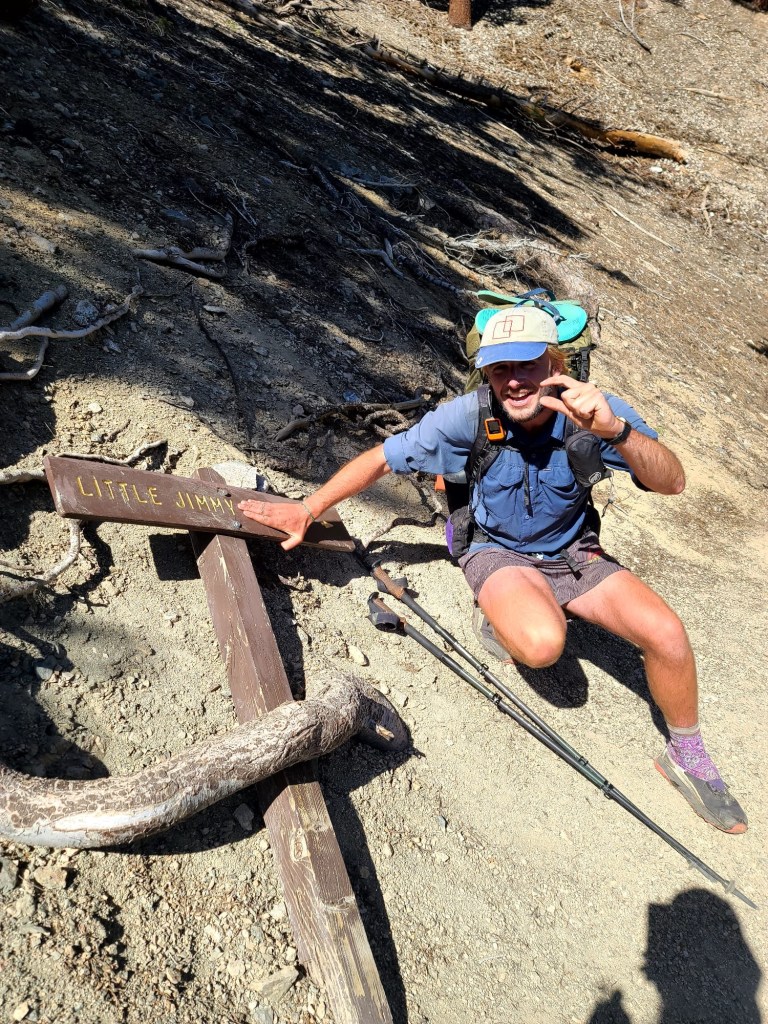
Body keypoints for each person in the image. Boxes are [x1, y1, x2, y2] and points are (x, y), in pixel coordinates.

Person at [238, 306, 747, 834]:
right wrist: (308, 508)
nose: (515, 380)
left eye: (528, 365)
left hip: (573, 550)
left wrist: (615, 431)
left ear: (556, 364)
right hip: (497, 549)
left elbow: (672, 481)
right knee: (543, 646)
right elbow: (384, 457)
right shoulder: (468, 415)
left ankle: (686, 755)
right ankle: (502, 613)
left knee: (667, 634)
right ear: (486, 373)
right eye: (501, 369)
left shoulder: (596, 412)